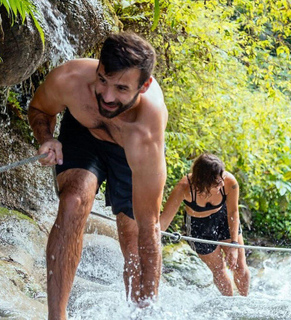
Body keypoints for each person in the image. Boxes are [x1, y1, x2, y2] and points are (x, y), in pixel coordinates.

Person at [27, 32, 167, 318]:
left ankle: (140, 311)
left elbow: (149, 227)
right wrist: (46, 137)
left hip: (129, 150)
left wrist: (150, 308)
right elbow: (40, 108)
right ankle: (57, 316)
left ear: (144, 85)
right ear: (98, 66)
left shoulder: (147, 130)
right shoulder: (71, 79)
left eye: (121, 88)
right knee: (72, 203)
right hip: (83, 133)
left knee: (132, 236)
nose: (107, 96)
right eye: (102, 79)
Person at [160, 153, 250, 296]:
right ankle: (231, 303)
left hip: (224, 218)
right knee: (219, 270)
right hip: (199, 226)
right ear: (203, 182)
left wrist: (234, 245)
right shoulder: (184, 187)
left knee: (239, 265)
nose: (222, 183)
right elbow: (164, 221)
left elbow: (233, 213)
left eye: (222, 178)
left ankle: (245, 300)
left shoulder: (229, 181)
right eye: (216, 182)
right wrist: (149, 241)